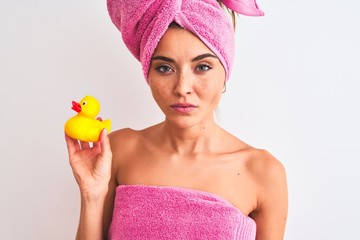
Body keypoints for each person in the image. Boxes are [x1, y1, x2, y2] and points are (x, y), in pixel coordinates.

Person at [65, 0, 288, 239]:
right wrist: (91, 194)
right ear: (148, 75)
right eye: (164, 68)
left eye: (202, 67)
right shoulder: (118, 150)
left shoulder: (263, 172)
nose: (182, 88)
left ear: (225, 72)